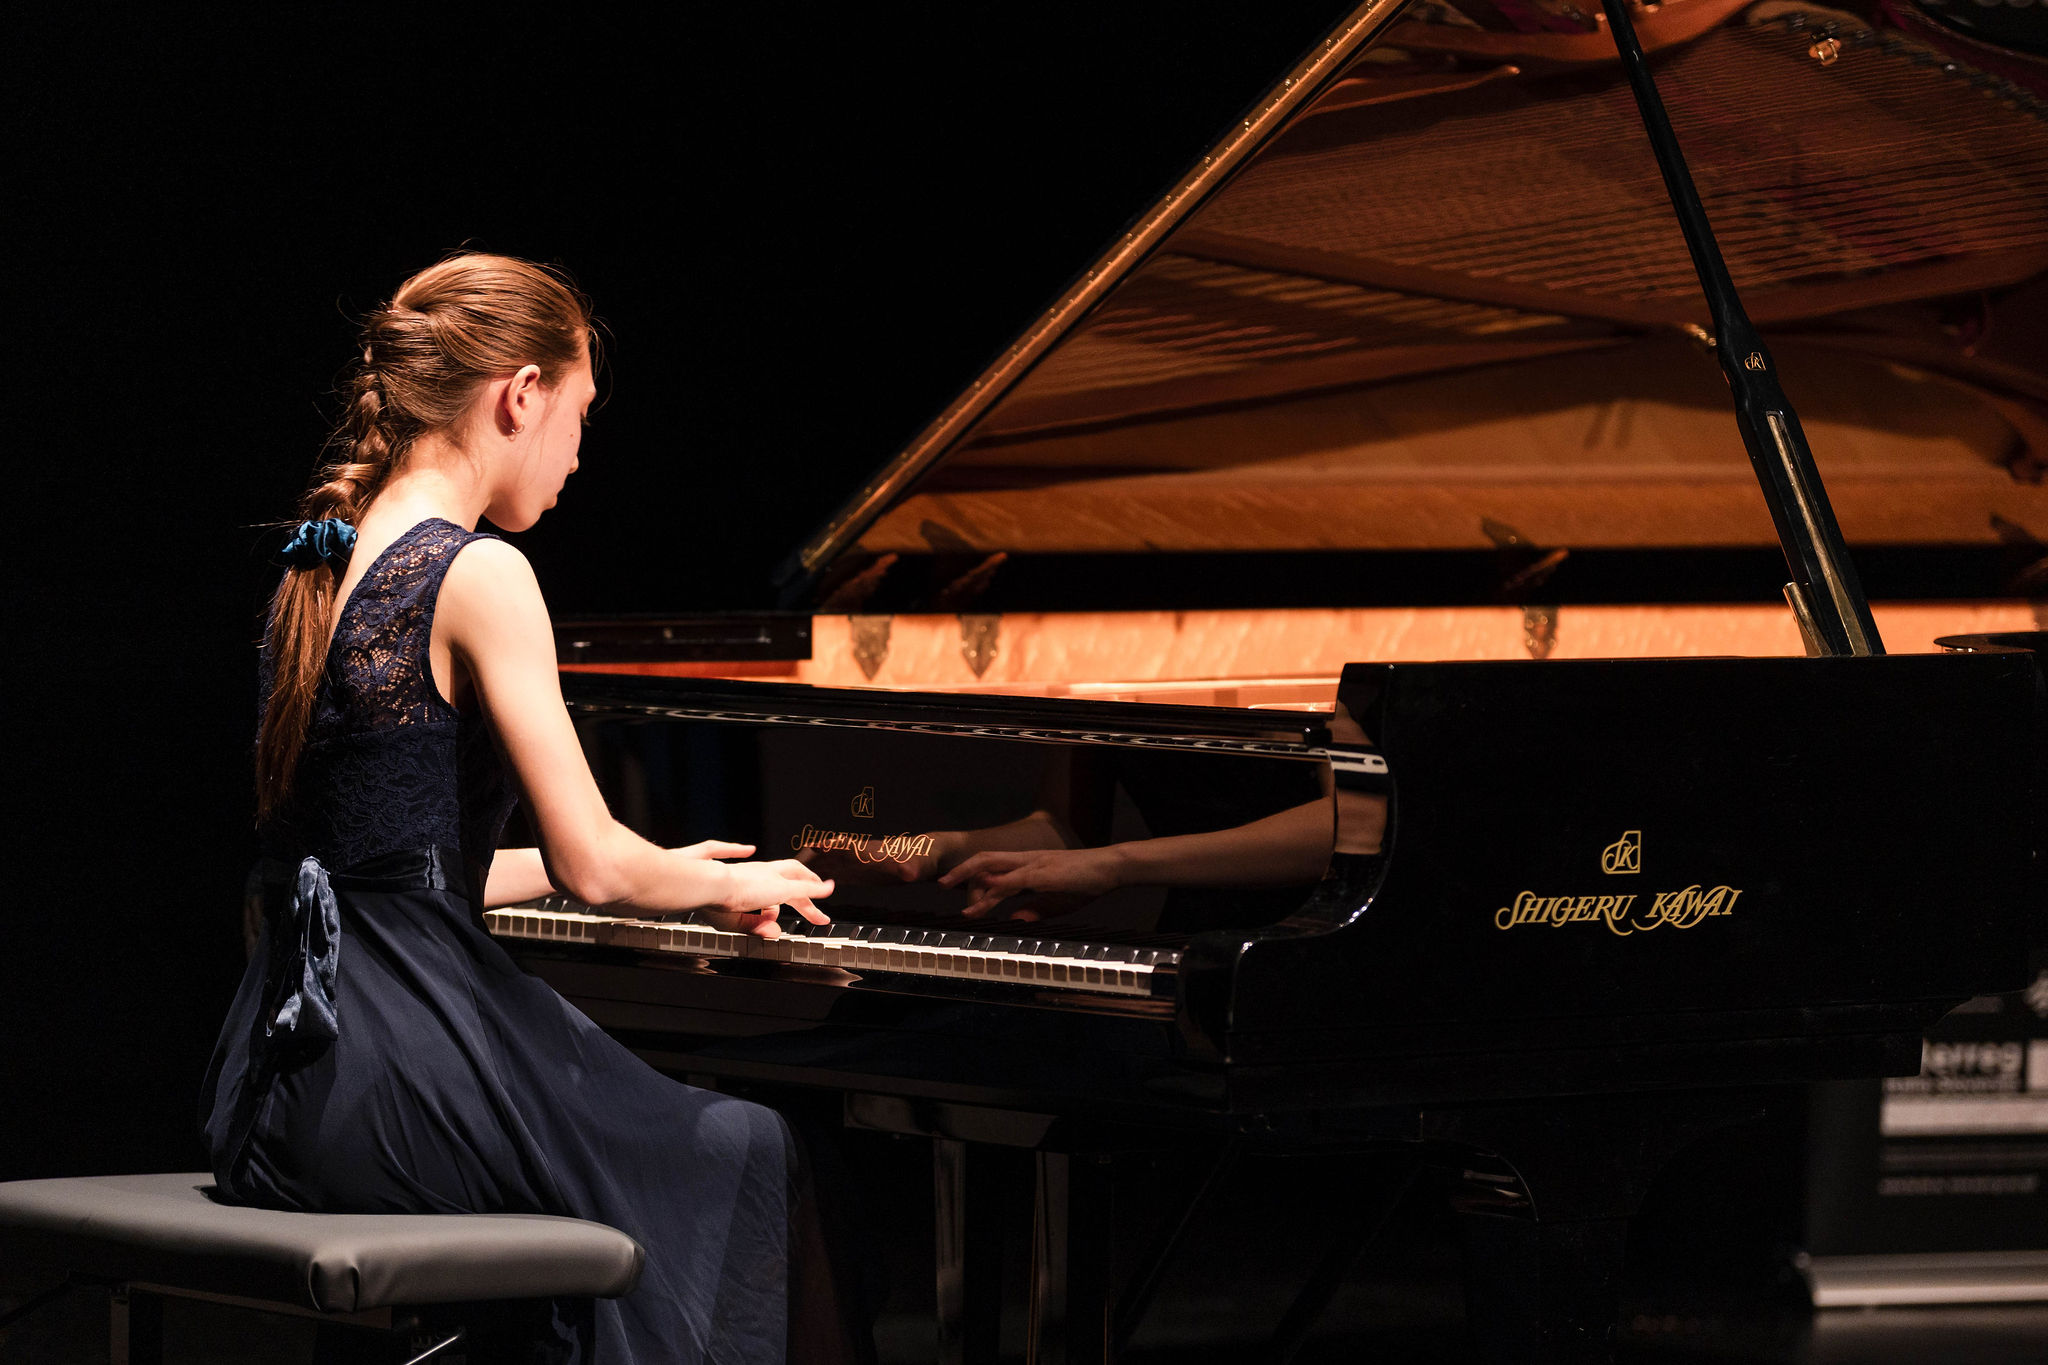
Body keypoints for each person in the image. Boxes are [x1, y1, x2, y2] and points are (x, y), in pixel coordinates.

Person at [198, 252, 850, 1364]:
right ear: (521, 394)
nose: (579, 454)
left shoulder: (318, 567)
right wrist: (720, 878)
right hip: (398, 1072)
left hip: (278, 1088)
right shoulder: (480, 573)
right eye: (579, 416)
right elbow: (597, 863)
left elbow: (390, 873)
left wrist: (666, 871)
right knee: (753, 1149)